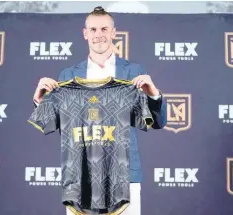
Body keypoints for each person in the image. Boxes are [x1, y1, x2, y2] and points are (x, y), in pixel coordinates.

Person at [32, 6, 167, 215]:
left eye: (104, 29)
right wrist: (40, 100)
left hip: (125, 176)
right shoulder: (69, 76)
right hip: (81, 176)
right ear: (85, 34)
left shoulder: (134, 72)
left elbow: (158, 122)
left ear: (114, 33)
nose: (99, 35)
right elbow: (53, 123)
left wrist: (153, 94)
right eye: (93, 30)